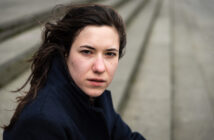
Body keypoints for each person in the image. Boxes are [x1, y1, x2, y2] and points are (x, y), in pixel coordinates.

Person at [3, 3, 146, 140]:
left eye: (110, 54)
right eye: (87, 52)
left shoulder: (95, 97)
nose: (100, 68)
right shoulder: (42, 122)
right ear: (65, 53)